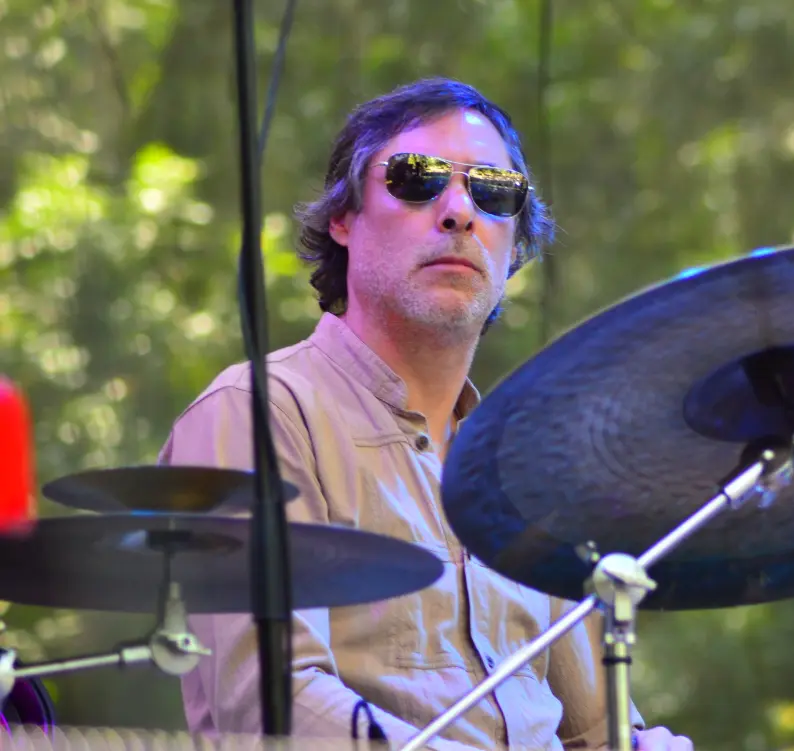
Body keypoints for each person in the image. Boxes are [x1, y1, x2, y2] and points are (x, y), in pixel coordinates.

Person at [158, 78, 692, 751]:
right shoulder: (256, 415)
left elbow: (596, 732)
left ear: (515, 245)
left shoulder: (521, 471)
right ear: (343, 218)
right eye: (417, 178)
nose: (459, 211)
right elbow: (271, 704)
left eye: (493, 189)